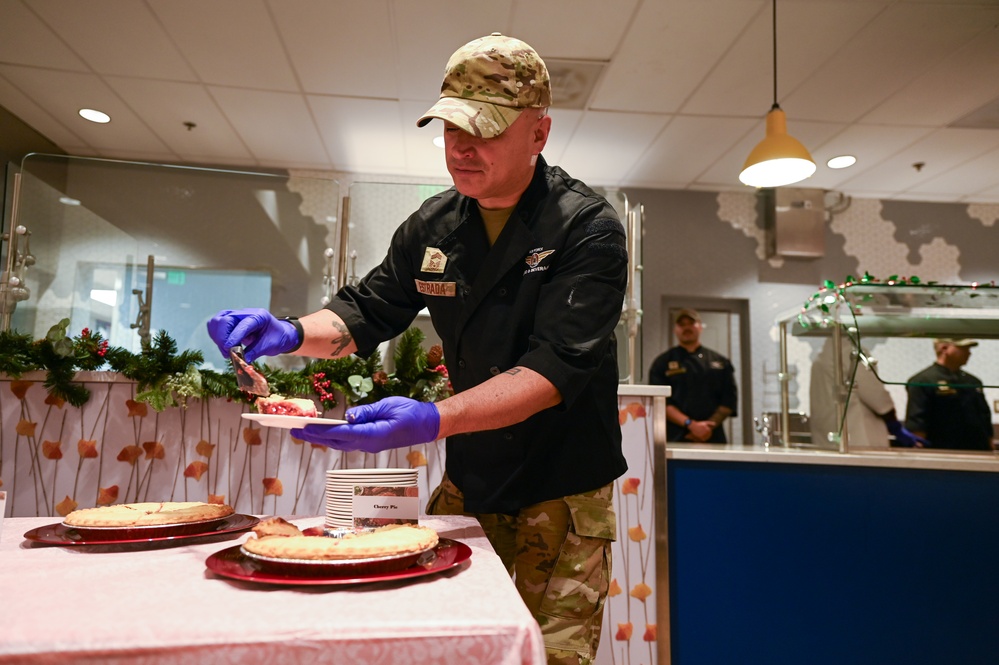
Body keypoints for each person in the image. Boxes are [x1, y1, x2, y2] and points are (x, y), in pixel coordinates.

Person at [207, 33, 628, 665]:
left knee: (552, 656)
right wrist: (289, 333)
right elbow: (366, 309)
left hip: (564, 485)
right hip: (473, 473)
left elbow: (554, 367)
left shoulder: (586, 227)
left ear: (539, 133)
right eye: (452, 128)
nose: (461, 147)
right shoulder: (433, 224)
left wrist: (432, 419)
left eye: (484, 129)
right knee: (446, 644)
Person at [809, 335, 923, 448]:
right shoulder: (850, 353)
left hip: (833, 441)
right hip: (858, 440)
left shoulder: (822, 358)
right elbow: (876, 397)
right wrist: (896, 427)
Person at [648, 308, 737, 443]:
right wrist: (691, 424)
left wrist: (706, 428)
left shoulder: (720, 362)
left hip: (713, 437)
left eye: (691, 323)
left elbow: (728, 400)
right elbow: (659, 401)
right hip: (676, 437)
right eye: (682, 324)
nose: (687, 328)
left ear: (700, 327)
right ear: (675, 329)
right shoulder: (662, 362)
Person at [905, 339, 994, 451]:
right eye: (963, 348)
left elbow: (984, 417)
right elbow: (917, 422)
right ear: (944, 348)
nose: (969, 353)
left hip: (977, 450)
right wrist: (918, 452)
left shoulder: (972, 381)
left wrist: (990, 445)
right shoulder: (923, 381)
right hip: (942, 450)